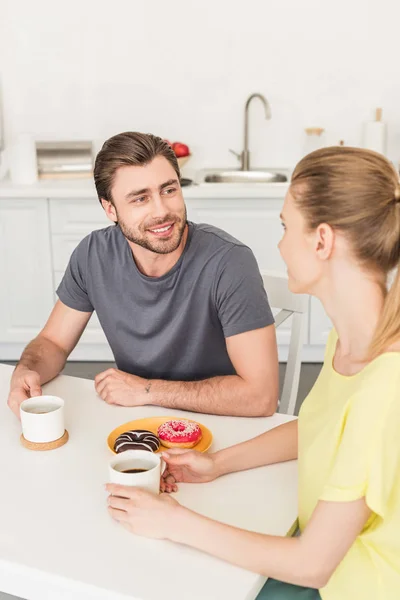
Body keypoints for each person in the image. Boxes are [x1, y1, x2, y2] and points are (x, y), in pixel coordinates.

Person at [106, 146, 400, 600]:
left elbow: (313, 565)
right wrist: (216, 464)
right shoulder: (350, 344)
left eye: (286, 228)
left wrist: (173, 521)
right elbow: (319, 429)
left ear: (321, 240)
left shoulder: (386, 385)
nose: (280, 245)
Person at [7, 132, 278, 418]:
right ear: (109, 209)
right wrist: (26, 371)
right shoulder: (93, 254)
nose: (161, 211)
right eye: (140, 199)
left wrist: (146, 390)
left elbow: (261, 397)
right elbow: (53, 343)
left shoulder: (230, 262)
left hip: (219, 420)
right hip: (138, 420)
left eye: (169, 190)